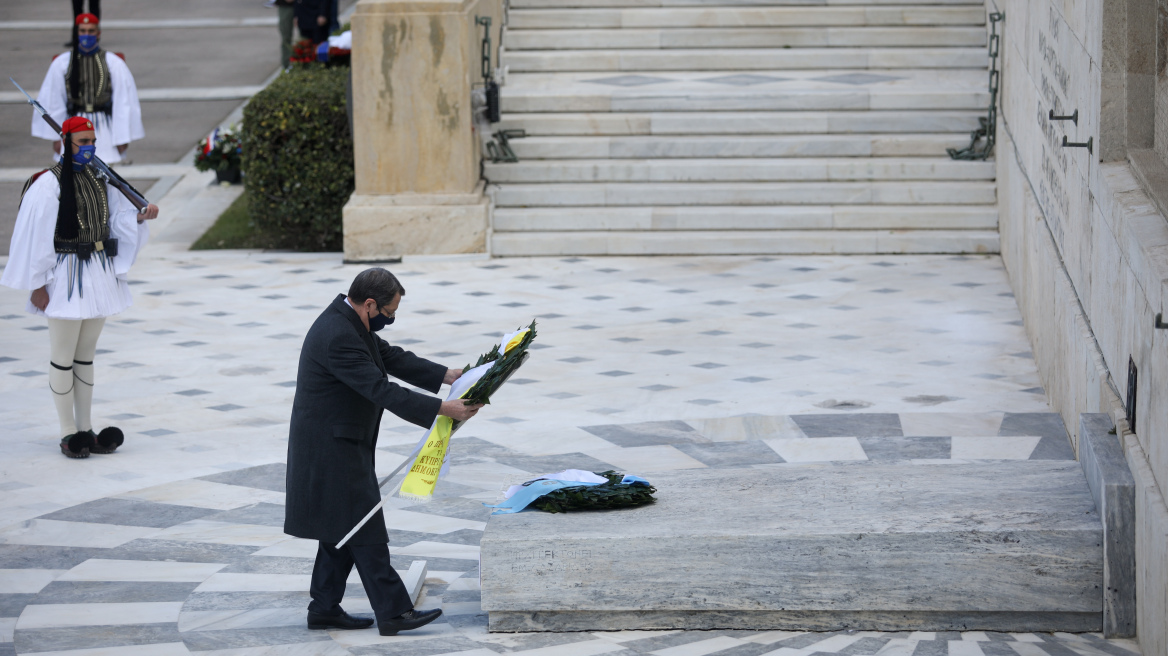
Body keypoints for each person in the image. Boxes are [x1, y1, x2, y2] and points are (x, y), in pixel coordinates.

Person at [284, 268, 484, 636]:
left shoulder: (349, 320)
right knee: (365, 525)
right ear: (370, 304)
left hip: (339, 440)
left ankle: (324, 607)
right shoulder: (338, 336)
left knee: (342, 526)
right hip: (330, 448)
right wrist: (443, 409)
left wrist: (448, 375)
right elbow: (381, 390)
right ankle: (393, 612)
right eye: (389, 312)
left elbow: (390, 357)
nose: (390, 319)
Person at [1, 117, 159, 458]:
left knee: (85, 358)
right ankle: (67, 432)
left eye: (92, 140)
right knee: (62, 358)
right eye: (82, 141)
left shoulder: (100, 180)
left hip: (98, 275)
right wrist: (38, 284)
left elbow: (114, 219)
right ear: (65, 143)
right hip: (66, 276)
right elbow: (37, 236)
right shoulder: (48, 184)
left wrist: (138, 217)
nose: (89, 147)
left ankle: (86, 428)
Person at [32, 12, 144, 165]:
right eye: (82, 31)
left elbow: (123, 102)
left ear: (98, 33)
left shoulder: (113, 62)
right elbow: (54, 100)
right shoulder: (62, 63)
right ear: (76, 32)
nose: (87, 35)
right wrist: (56, 137)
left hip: (104, 127)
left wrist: (121, 138)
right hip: (73, 124)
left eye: (91, 31)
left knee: (105, 175)